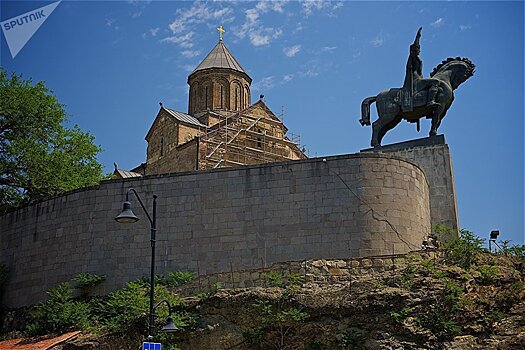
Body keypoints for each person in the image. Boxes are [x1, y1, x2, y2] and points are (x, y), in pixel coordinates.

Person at [402, 27, 441, 112]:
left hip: (419, 79)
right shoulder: (413, 58)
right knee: (435, 82)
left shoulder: (418, 60)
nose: (419, 50)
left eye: (419, 49)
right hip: (415, 81)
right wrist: (418, 37)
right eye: (418, 49)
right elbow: (414, 47)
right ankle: (430, 101)